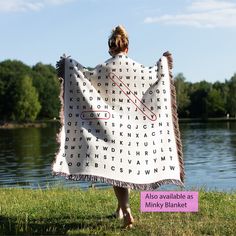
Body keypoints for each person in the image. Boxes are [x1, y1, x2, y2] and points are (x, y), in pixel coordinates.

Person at [107, 25, 173, 229]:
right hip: (135, 129)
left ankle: (125, 211)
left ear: (110, 49)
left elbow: (85, 85)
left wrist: (69, 67)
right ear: (127, 48)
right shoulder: (138, 68)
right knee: (125, 169)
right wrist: (163, 62)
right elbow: (154, 80)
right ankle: (121, 209)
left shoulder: (103, 68)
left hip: (112, 128)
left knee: (116, 172)